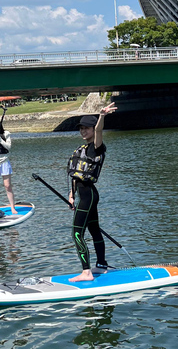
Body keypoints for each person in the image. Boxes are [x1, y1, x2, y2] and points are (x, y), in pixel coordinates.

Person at [67, 102, 117, 282]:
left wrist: (101, 117)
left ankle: (86, 271)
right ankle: (102, 265)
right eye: (81, 129)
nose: (83, 131)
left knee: (77, 233)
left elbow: (99, 132)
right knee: (94, 230)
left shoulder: (96, 148)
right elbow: (75, 175)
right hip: (84, 195)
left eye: (86, 128)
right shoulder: (81, 150)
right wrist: (72, 195)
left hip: (88, 195)